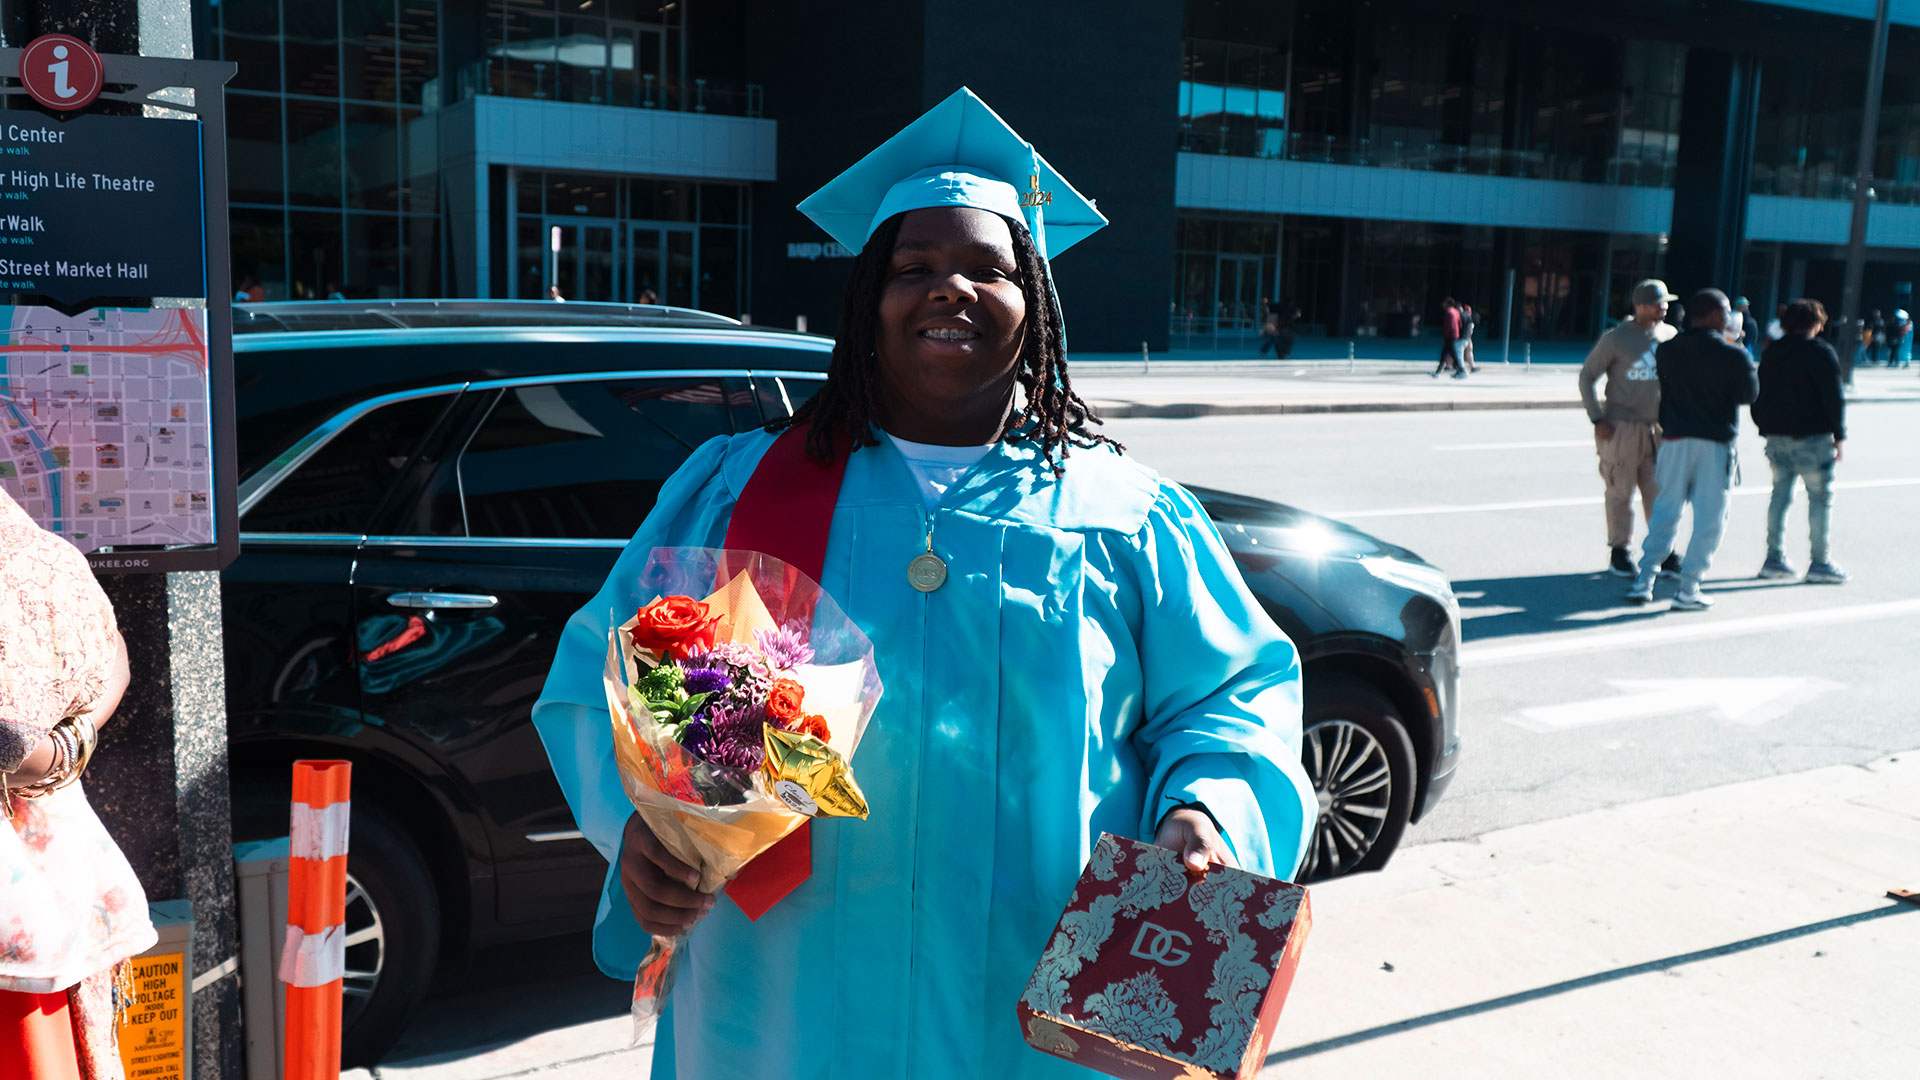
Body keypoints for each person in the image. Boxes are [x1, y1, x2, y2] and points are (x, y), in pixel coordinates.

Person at [530, 88, 1316, 1080]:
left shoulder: (1125, 516)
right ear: (868, 302)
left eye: (989, 267)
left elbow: (1230, 700)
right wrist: (640, 828)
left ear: (1037, 307)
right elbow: (609, 682)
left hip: (1037, 1013)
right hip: (777, 1007)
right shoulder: (742, 490)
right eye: (914, 268)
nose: (951, 288)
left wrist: (1206, 812)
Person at [1, 487, 156, 1080]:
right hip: (51, 892)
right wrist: (66, 745)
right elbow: (114, 660)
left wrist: (39, 752)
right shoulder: (53, 563)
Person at [1627, 288, 1759, 610]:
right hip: (1714, 442)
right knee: (1710, 517)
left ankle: (1645, 578)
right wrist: (1737, 346)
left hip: (1674, 438)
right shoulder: (1733, 355)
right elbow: (1749, 394)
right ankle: (1689, 587)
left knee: (1666, 509)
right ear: (1714, 315)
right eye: (1726, 311)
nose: (1730, 317)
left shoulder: (1668, 350)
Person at [1579, 279, 1682, 579]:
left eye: (1666, 302)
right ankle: (1620, 551)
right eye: (1657, 302)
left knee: (1660, 493)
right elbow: (1587, 376)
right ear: (1639, 306)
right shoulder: (1616, 338)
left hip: (1658, 430)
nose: (1664, 307)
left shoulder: (1670, 335)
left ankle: (1664, 551)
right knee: (1620, 491)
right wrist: (1598, 418)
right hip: (1621, 428)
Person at [1753, 299, 1849, 584]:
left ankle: (1774, 558)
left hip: (1776, 436)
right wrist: (1839, 435)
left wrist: (1765, 426)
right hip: (1813, 438)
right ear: (1816, 323)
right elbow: (1834, 397)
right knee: (1820, 499)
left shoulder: (1772, 352)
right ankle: (1820, 562)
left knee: (1780, 496)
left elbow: (1759, 395)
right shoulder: (1821, 352)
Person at [1432, 297, 1466, 378]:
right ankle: (1438, 371)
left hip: (1450, 336)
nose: (1443, 305)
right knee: (1445, 354)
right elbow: (1459, 324)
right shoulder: (1456, 312)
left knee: (1452, 354)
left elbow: (1451, 325)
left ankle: (1461, 370)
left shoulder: (1449, 312)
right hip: (1454, 335)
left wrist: (1448, 334)